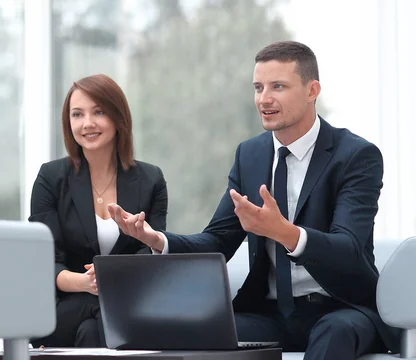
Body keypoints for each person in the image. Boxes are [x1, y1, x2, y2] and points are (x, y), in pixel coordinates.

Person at [108, 41, 400, 360]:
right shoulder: (250, 155)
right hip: (271, 313)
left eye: (278, 86)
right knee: (196, 334)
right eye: (258, 87)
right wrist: (156, 239)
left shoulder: (356, 156)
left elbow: (349, 249)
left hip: (342, 308)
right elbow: (218, 240)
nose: (264, 98)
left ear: (311, 90)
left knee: (335, 334)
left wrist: (284, 232)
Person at [29, 74, 168, 348]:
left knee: (93, 332)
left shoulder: (151, 180)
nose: (87, 123)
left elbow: (151, 252)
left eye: (99, 112)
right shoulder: (51, 178)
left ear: (118, 118)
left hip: (128, 302)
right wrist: (86, 283)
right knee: (101, 309)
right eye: (77, 114)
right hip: (65, 307)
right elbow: (45, 260)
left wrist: (113, 278)